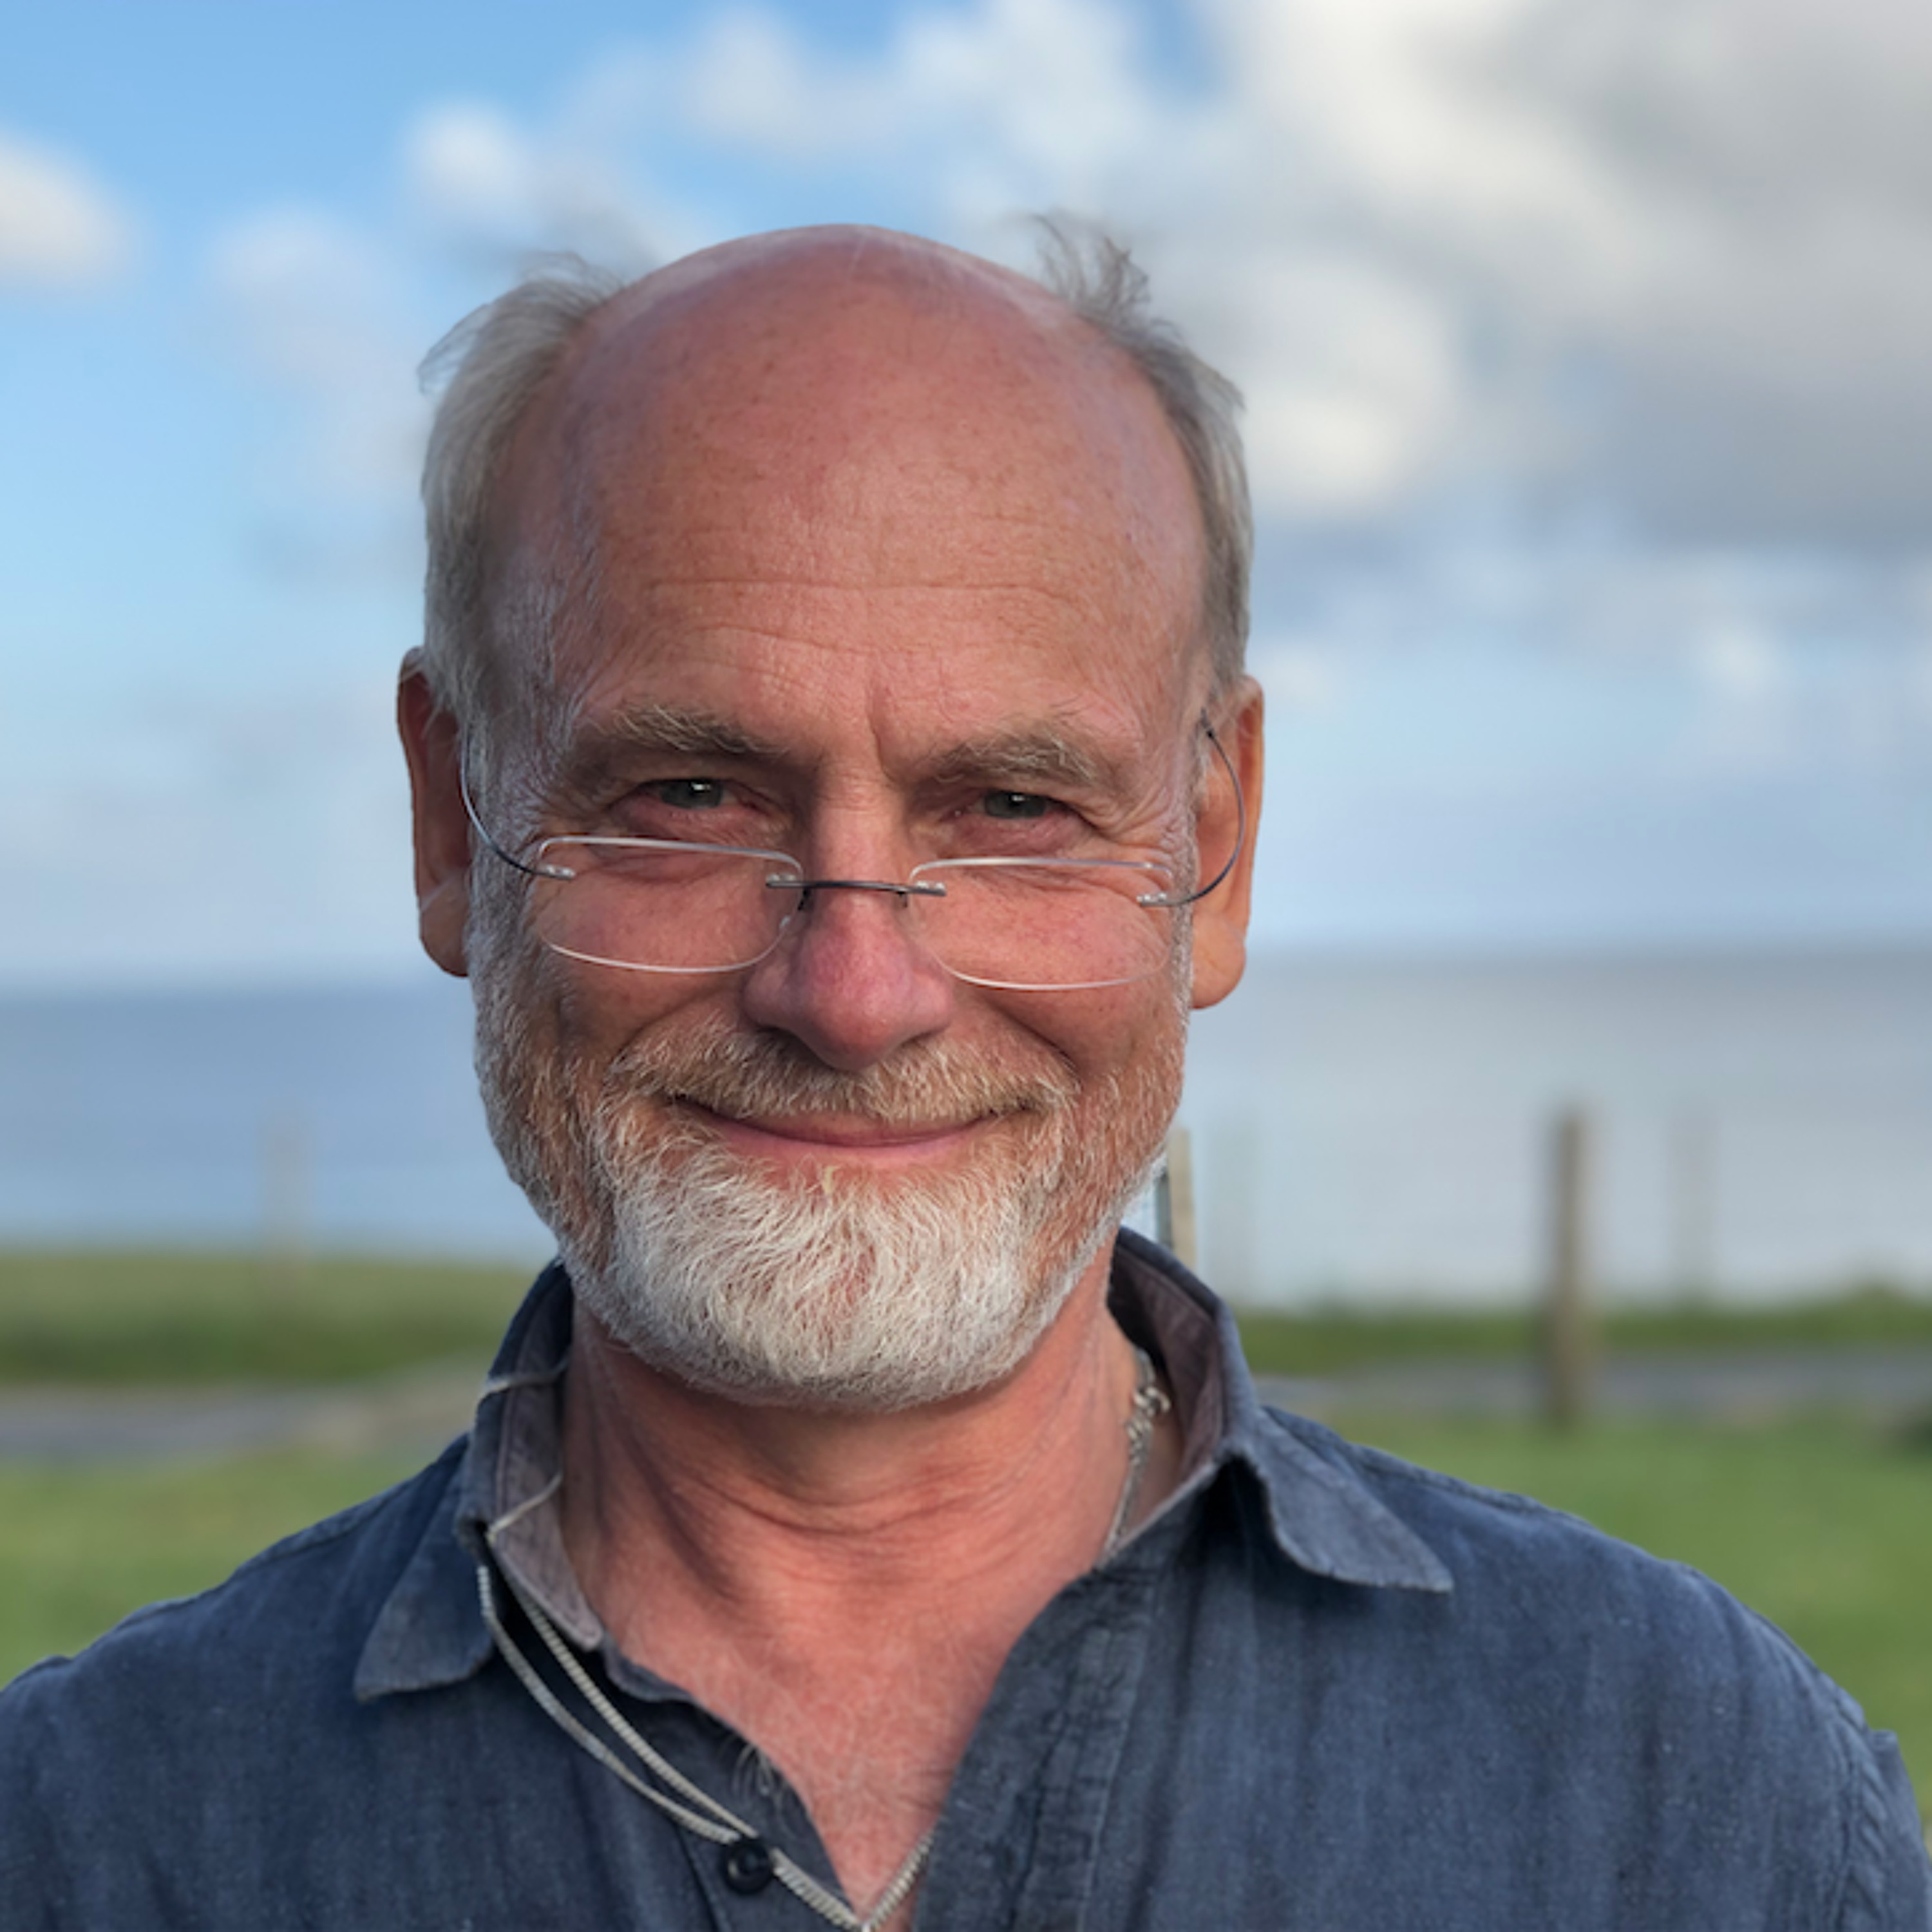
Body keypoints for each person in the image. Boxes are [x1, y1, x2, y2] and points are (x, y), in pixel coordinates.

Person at [1, 223, 1926, 1931]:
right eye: (691, 793)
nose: (853, 993)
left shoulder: (1698, 1808)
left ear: (1216, 852)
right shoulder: (86, 1845)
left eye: (1011, 808)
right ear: (452, 817)